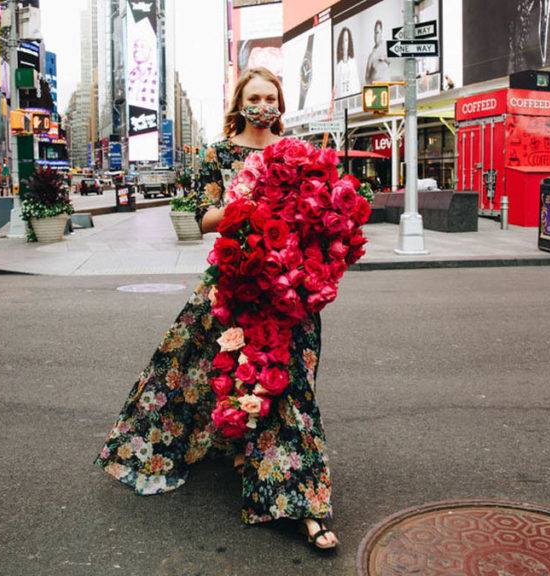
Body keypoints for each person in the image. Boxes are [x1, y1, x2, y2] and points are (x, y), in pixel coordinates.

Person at [95, 67, 339, 551]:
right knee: (187, 367)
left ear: (281, 104)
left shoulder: (301, 154)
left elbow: (321, 217)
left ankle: (305, 504)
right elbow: (196, 215)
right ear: (240, 102)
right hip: (233, 286)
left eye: (271, 97)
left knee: (289, 390)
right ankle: (224, 445)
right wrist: (247, 206)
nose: (264, 105)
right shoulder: (218, 153)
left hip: (290, 293)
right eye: (255, 97)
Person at [334, 27, 359, 98]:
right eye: (343, 41)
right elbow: (335, 90)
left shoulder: (353, 63)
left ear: (349, 42)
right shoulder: (338, 66)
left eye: (346, 40)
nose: (344, 44)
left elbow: (356, 86)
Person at [364, 19, 390, 85]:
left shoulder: (387, 47)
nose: (375, 36)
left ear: (382, 32)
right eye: (375, 33)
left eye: (377, 32)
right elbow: (367, 77)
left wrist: (385, 59)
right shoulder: (371, 56)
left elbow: (396, 65)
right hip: (374, 89)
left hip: (386, 87)